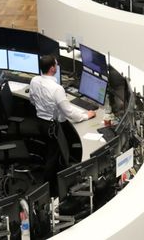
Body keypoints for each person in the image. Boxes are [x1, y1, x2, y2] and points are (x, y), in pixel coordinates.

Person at [30, 55, 95, 194]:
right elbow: (69, 113)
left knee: (51, 152)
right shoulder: (57, 88)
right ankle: (49, 190)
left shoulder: (34, 81)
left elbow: (32, 100)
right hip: (52, 128)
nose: (57, 65)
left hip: (39, 123)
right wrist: (86, 115)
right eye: (56, 64)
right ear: (53, 68)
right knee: (53, 156)